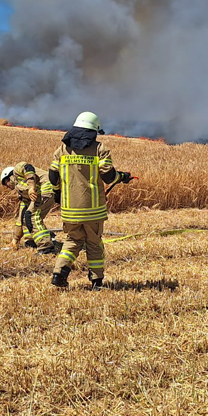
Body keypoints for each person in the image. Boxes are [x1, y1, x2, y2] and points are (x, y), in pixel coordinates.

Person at [47, 111, 131, 290]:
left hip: (69, 209)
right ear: (94, 131)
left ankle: (59, 274)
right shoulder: (100, 149)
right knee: (94, 243)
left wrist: (57, 194)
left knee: (72, 241)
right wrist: (122, 176)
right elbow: (108, 176)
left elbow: (53, 175)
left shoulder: (62, 150)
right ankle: (96, 281)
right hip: (93, 209)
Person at [0, 163, 56, 254]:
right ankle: (32, 241)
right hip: (42, 191)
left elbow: (28, 168)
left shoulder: (17, 170)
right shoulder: (22, 191)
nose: (6, 186)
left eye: (5, 183)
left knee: (32, 216)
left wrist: (31, 188)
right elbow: (20, 218)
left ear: (9, 176)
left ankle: (46, 247)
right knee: (27, 216)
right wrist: (15, 239)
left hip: (46, 187)